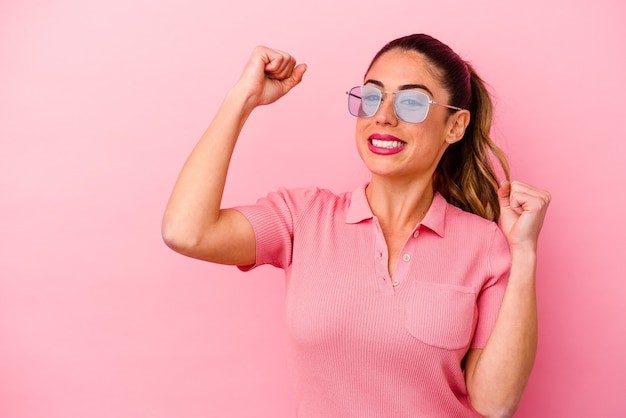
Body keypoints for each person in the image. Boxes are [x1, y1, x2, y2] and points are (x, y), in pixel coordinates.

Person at [162, 34, 551, 418]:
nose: (383, 115)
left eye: (412, 102)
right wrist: (241, 100)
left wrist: (524, 252)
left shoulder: (485, 245)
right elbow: (186, 232)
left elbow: (495, 403)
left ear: (455, 126)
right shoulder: (302, 218)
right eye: (371, 96)